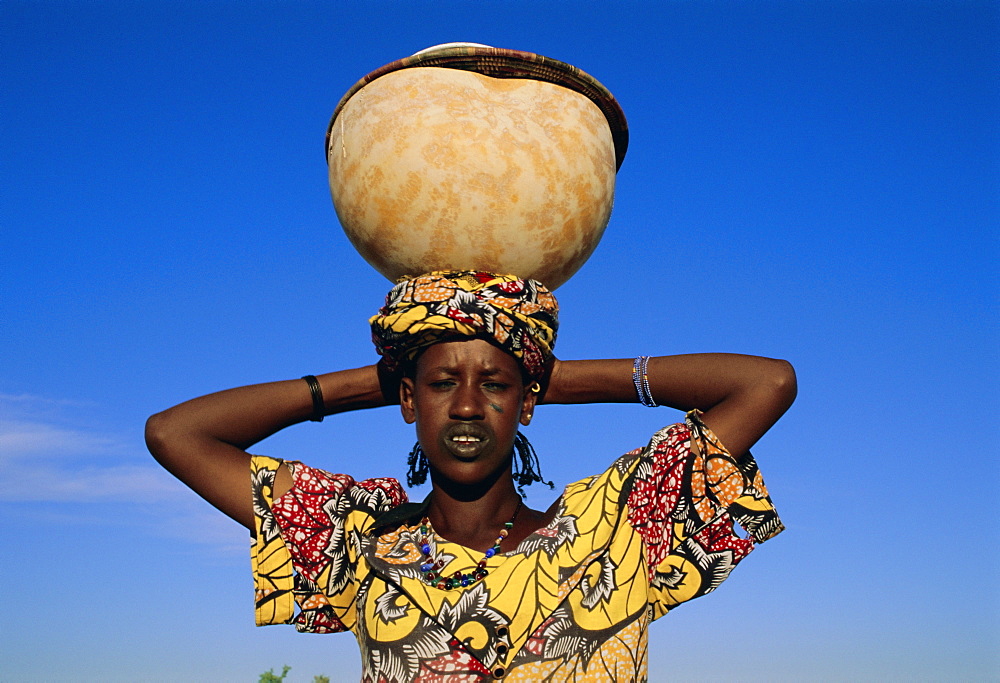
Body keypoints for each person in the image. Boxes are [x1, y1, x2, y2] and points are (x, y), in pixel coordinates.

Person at [146, 270, 796, 681]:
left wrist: (554, 374)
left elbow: (765, 382)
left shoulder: (615, 529)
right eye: (439, 385)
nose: (464, 405)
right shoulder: (361, 542)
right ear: (409, 401)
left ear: (526, 402)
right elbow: (176, 434)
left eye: (494, 385)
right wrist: (382, 377)